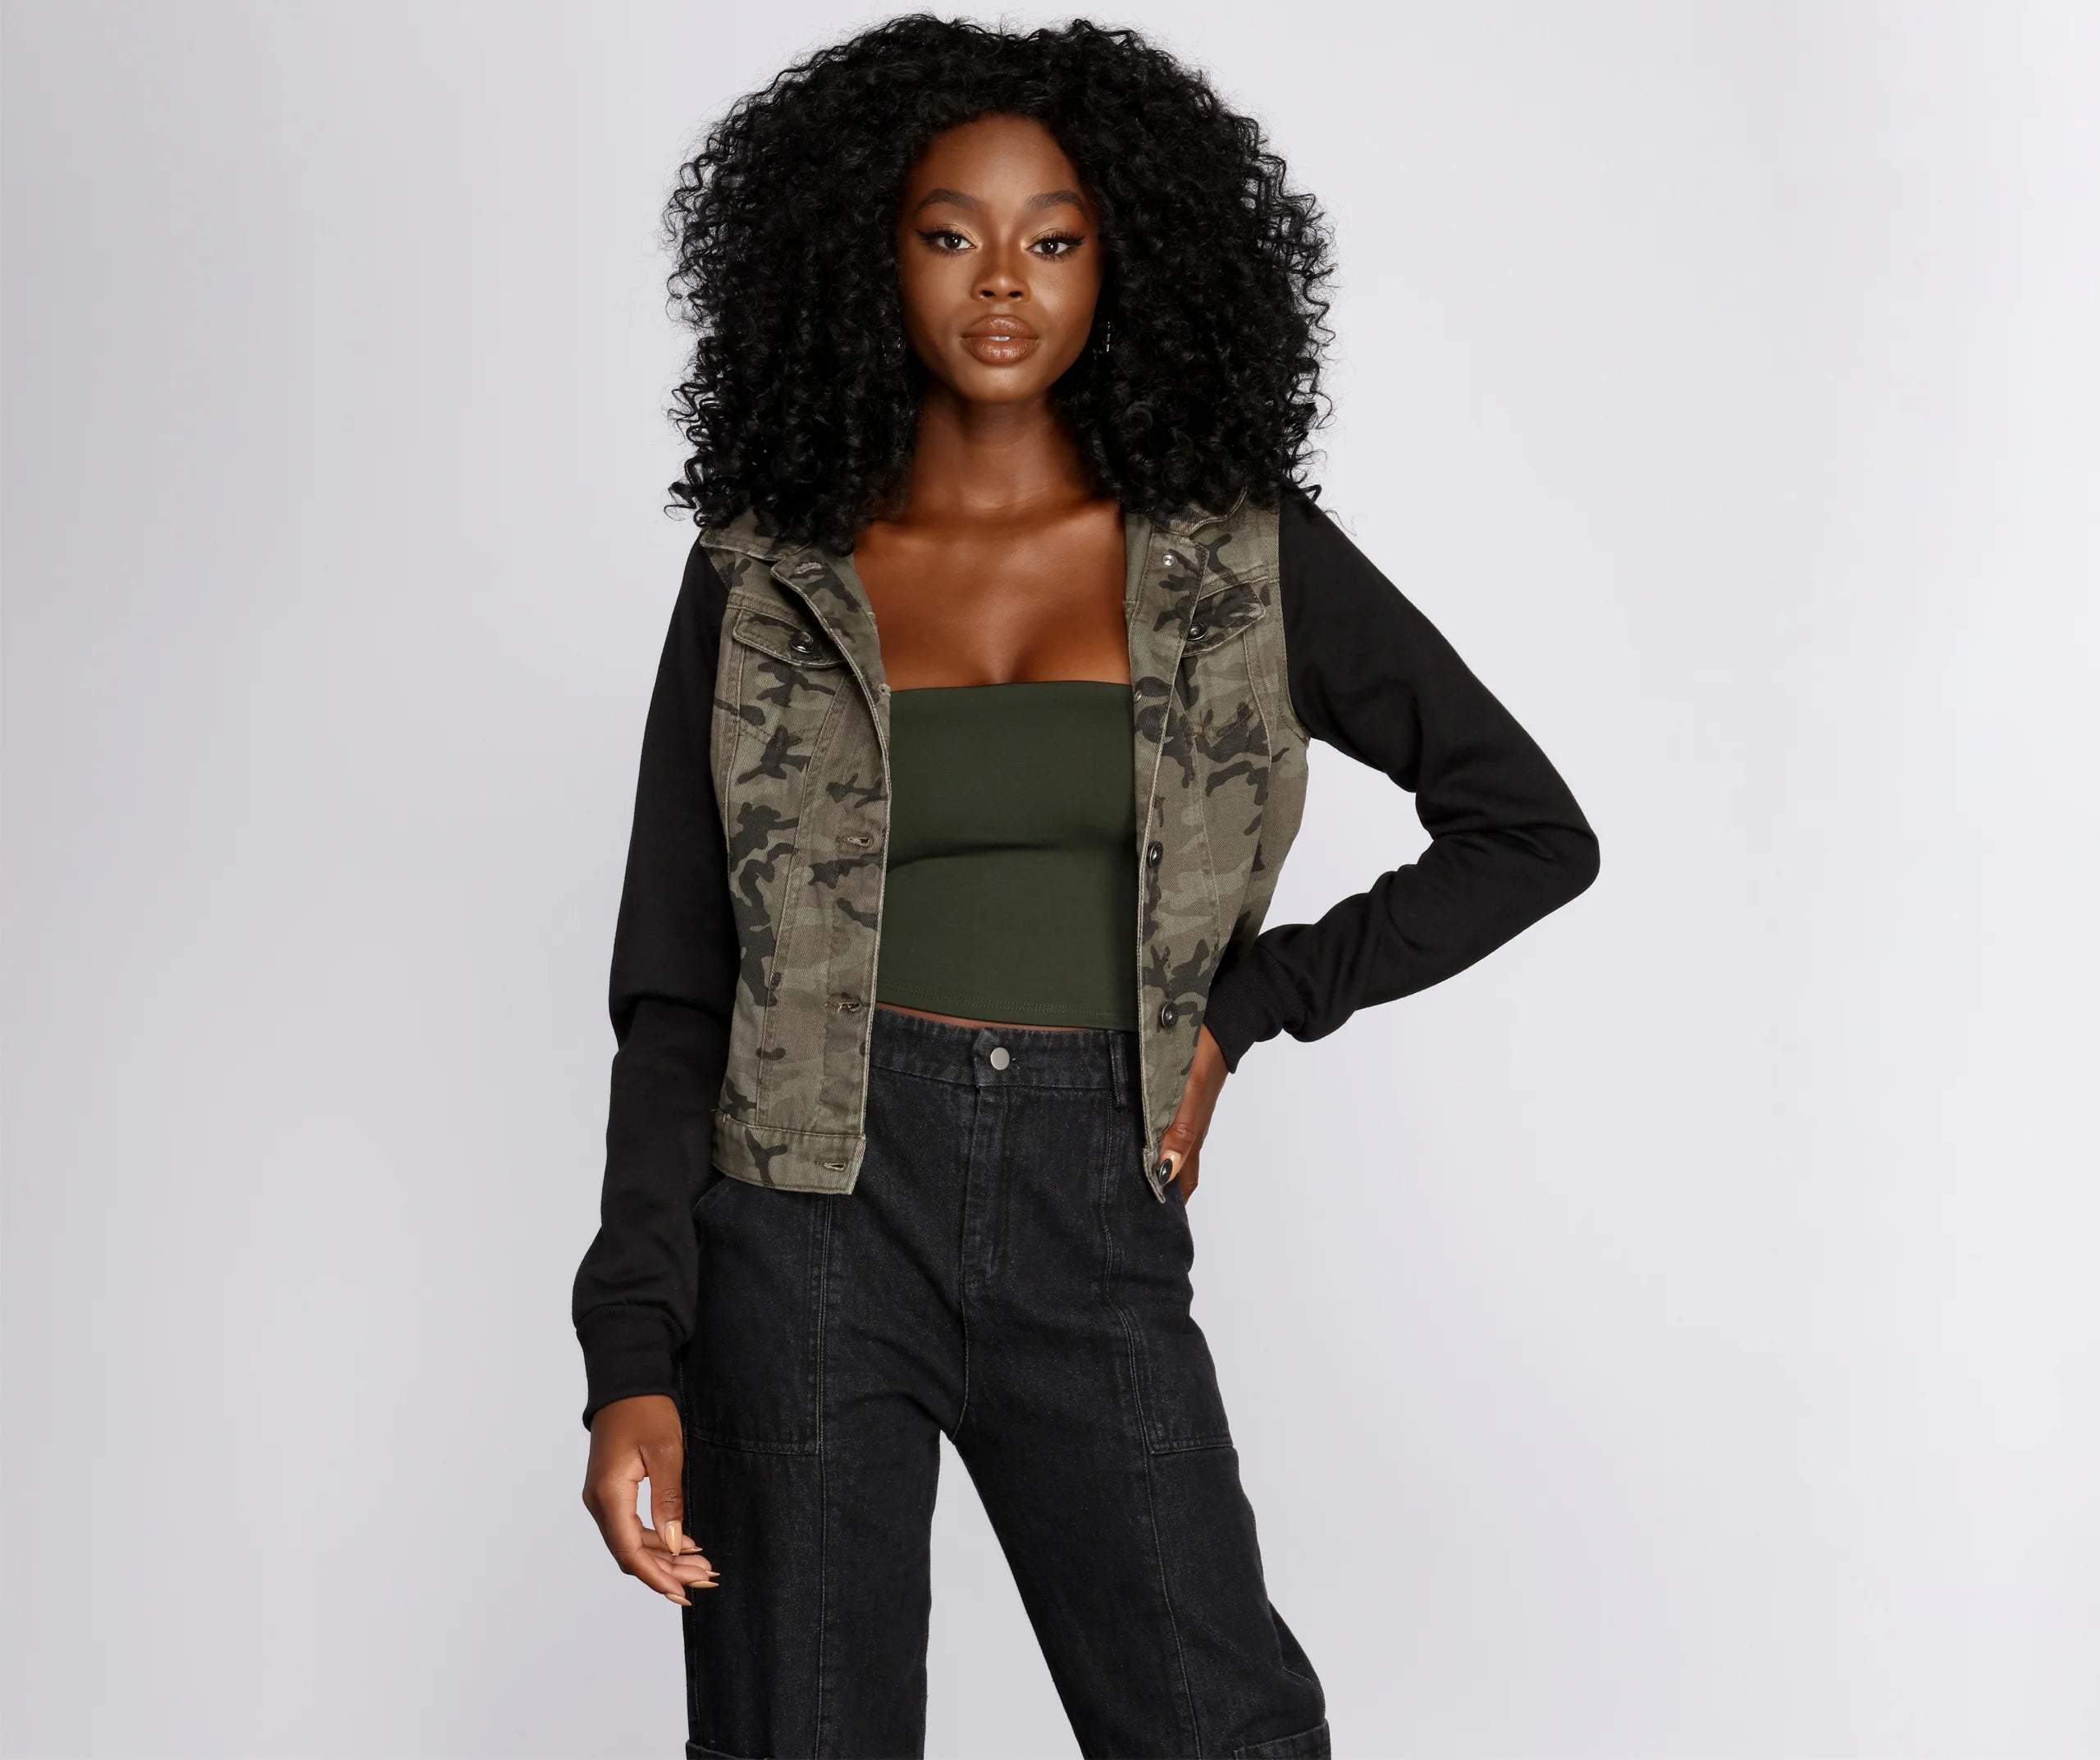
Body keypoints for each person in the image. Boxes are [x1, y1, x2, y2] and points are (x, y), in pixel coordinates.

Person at [573, 17, 1600, 1758]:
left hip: (1087, 1192)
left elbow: (1525, 828)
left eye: (1052, 238)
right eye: (948, 232)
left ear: (1123, 263)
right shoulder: (758, 577)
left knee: (1219, 1725)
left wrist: (1245, 1010)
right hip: (804, 1218)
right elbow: (676, 989)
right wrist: (630, 1355)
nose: (1002, 282)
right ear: (867, 254)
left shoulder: (1238, 559)